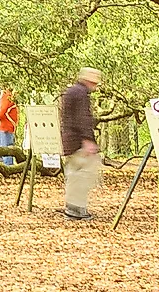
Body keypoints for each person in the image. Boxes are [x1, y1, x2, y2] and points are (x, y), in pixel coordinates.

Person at [58, 68, 102, 220]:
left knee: (74, 174)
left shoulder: (70, 92)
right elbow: (82, 118)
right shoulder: (81, 94)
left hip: (68, 141)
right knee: (84, 174)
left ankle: (73, 207)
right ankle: (76, 209)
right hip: (78, 142)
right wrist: (88, 139)